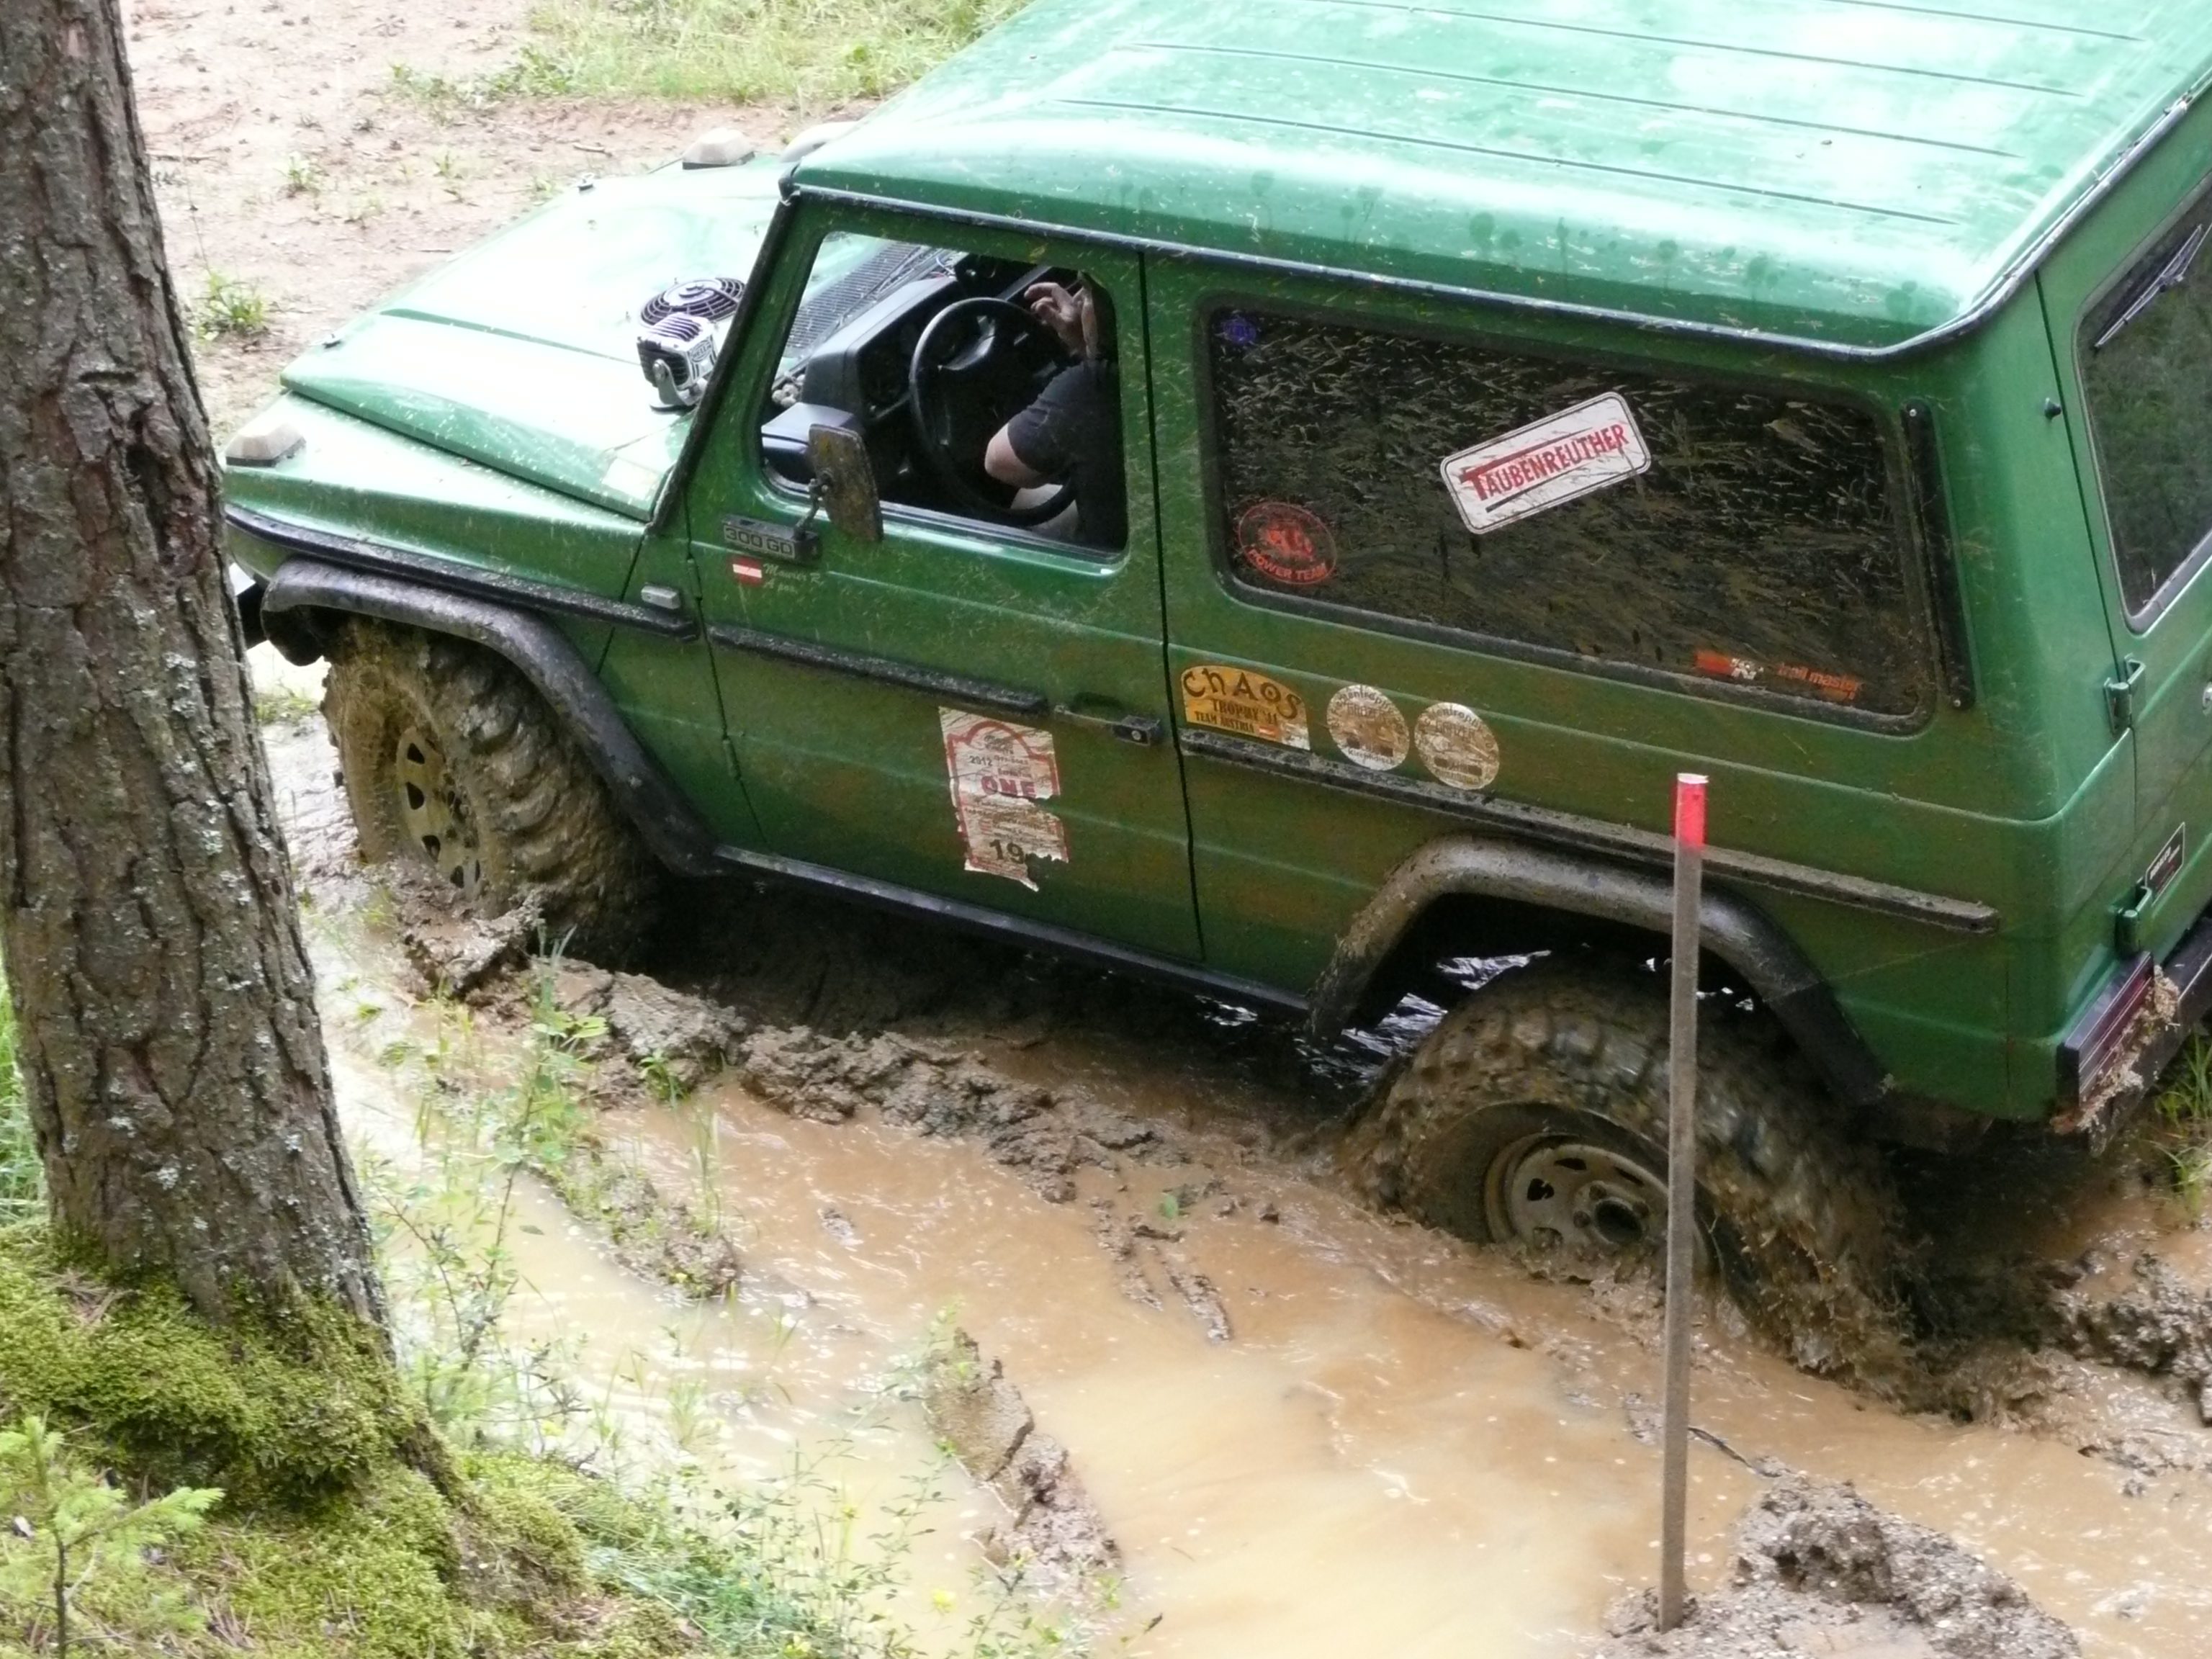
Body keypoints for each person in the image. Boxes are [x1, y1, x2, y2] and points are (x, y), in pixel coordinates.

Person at [983, 276, 1125, 549]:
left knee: (1024, 500)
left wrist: (1093, 352)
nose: (1077, 300)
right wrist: (1090, 347)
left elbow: (998, 463)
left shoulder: (1092, 387)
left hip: (1122, 549)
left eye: (1089, 293)